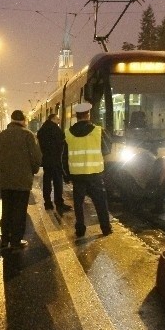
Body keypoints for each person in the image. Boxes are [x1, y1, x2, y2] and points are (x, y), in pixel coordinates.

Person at [0, 110, 42, 249]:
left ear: (12, 120)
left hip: (5, 180)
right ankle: (16, 241)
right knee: (19, 211)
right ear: (23, 120)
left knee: (7, 210)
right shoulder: (28, 136)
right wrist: (33, 170)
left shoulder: (1, 136)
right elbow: (36, 158)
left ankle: (5, 239)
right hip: (23, 181)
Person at [62, 102, 113, 238]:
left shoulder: (68, 134)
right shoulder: (98, 131)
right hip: (95, 174)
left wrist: (66, 175)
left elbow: (64, 157)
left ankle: (80, 229)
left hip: (77, 176)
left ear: (76, 116)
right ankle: (105, 228)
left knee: (78, 204)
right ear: (88, 114)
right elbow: (107, 150)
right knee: (100, 202)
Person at [37, 113, 72, 214]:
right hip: (56, 160)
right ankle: (59, 203)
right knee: (57, 182)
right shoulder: (56, 130)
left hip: (46, 160)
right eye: (57, 119)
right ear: (52, 119)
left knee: (47, 181)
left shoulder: (42, 129)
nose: (58, 120)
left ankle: (47, 202)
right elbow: (61, 144)